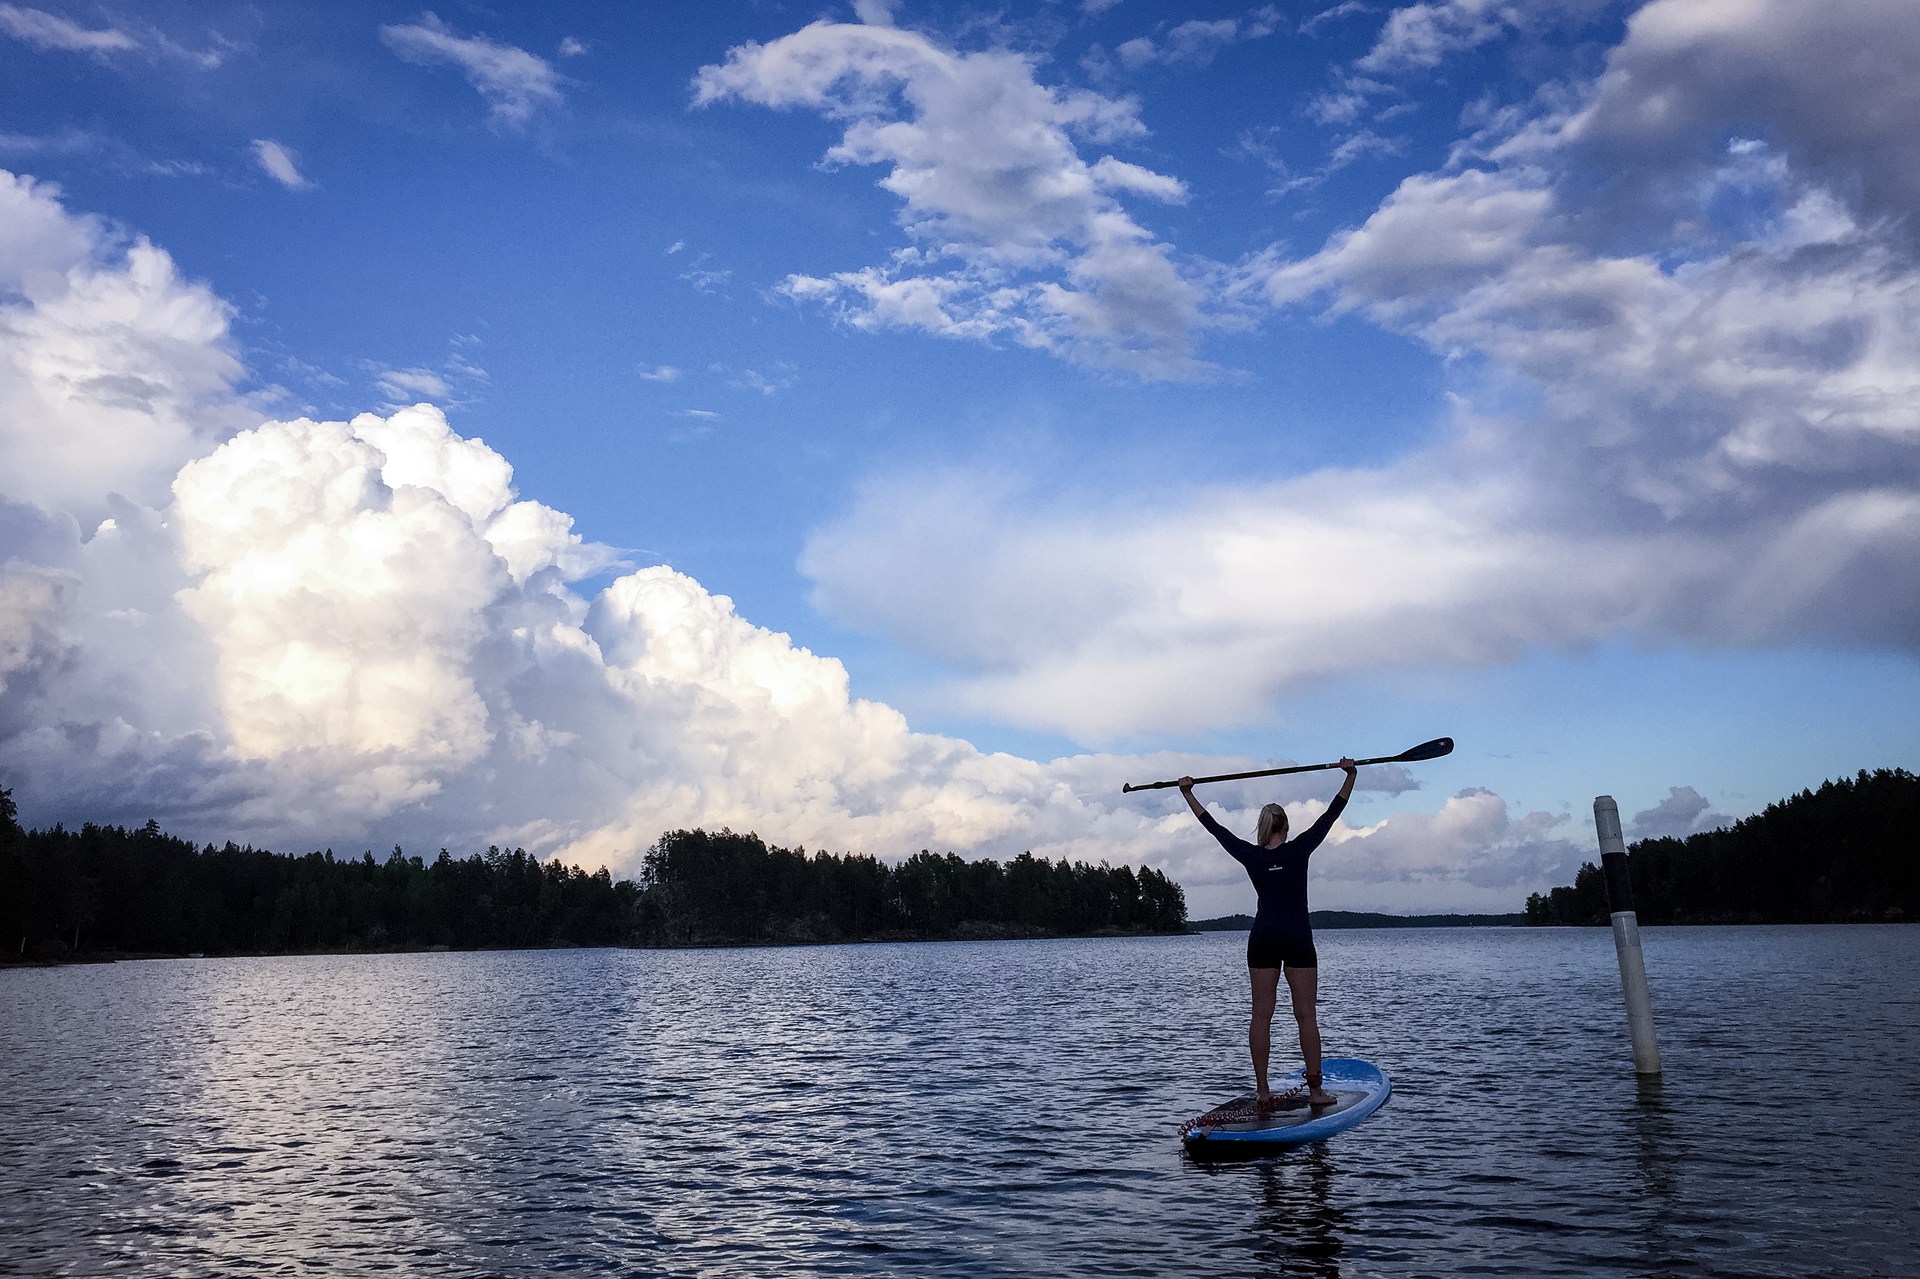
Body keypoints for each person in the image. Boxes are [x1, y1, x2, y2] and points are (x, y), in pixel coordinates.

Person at [1179, 758, 1357, 1110]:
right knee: (1306, 1015)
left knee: (1261, 1015)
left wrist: (1188, 794)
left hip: (1263, 936)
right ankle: (1316, 1092)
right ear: (1285, 827)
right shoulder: (1300, 848)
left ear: (1262, 827)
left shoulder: (1251, 855)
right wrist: (1350, 775)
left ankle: (1263, 1092)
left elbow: (1214, 828)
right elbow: (1332, 813)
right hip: (1296, 935)